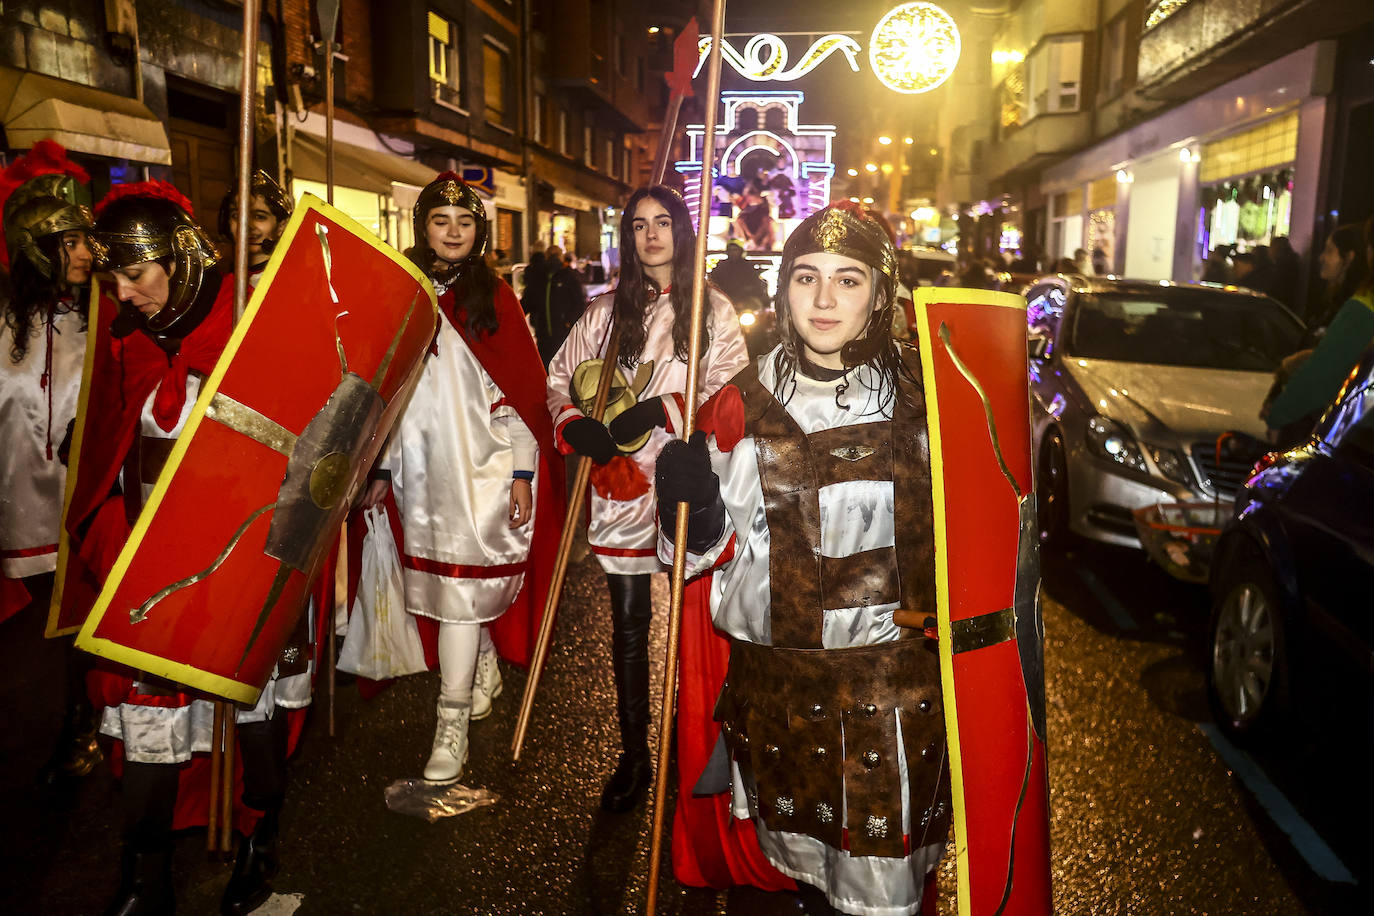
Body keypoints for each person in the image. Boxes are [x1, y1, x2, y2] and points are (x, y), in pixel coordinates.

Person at [656, 201, 950, 915]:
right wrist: (685, 518)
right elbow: (703, 558)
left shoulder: (933, 402)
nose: (824, 300)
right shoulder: (736, 404)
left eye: (849, 281)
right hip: (778, 701)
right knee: (795, 885)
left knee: (881, 899)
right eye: (806, 277)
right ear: (781, 288)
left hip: (893, 704)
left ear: (882, 295)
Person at [67, 182, 310, 914]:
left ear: (177, 258)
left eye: (135, 276)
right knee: (148, 718)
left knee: (253, 710)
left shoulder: (252, 324)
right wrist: (111, 541)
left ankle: (259, 841)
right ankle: (145, 876)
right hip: (151, 562)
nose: (124, 294)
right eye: (112, 280)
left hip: (240, 556)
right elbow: (107, 459)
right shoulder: (125, 344)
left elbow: (306, 447)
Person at [546, 185, 747, 812]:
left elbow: (735, 392)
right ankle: (635, 758)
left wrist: (669, 405)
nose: (651, 235)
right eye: (638, 225)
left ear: (682, 231)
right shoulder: (604, 313)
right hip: (619, 485)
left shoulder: (712, 310)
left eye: (662, 223)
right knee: (630, 630)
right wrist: (574, 424)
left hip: (686, 488)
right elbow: (558, 379)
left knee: (695, 629)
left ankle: (692, 746)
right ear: (627, 238)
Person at [362, 172, 563, 784]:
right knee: (449, 600)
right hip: (417, 474)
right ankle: (479, 668)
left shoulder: (495, 298)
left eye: (465, 222)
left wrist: (524, 473)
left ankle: (450, 725)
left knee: (457, 599)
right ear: (423, 227)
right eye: (441, 221)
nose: (452, 232)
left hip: (483, 474)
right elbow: (383, 389)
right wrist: (377, 465)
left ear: (479, 233)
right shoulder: (401, 291)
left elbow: (523, 395)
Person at [0, 141, 98, 786]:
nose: (88, 254)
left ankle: (81, 721)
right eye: (72, 243)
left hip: (78, 510)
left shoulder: (103, 321)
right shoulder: (1, 324)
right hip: (14, 511)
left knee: (74, 632)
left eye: (87, 240)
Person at [1264, 218, 1374, 444]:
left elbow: (1325, 369)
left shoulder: (1361, 306)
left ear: (1351, 257)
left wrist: (1280, 415)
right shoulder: (1340, 303)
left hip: (1349, 437)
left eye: (1329, 251)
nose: (1321, 258)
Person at [217, 169, 293, 287]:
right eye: (236, 215)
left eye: (259, 216)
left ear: (281, 226)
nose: (246, 225)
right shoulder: (219, 286)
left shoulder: (292, 283)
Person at [709, 241, 768, 311]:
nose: (733, 252)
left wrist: (749, 291)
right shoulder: (721, 266)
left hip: (746, 300)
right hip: (724, 299)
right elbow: (714, 282)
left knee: (758, 308)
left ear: (740, 251)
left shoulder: (748, 267)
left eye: (735, 250)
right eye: (730, 250)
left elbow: (756, 284)